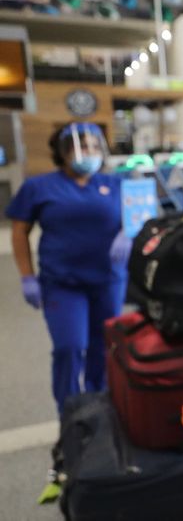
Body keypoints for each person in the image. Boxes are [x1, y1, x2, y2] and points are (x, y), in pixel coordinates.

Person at [5, 122, 131, 415]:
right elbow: (19, 231)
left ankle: (99, 405)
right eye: (80, 146)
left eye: (94, 147)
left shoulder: (117, 184)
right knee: (69, 347)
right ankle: (70, 411)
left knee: (104, 348)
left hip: (108, 281)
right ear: (62, 152)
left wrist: (130, 232)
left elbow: (143, 217)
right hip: (62, 282)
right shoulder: (38, 187)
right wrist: (27, 276)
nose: (89, 152)